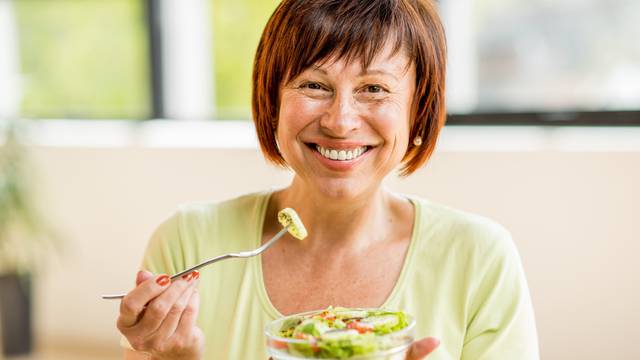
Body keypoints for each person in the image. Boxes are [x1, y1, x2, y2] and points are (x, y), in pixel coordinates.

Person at [116, 0, 540, 359]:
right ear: (272, 103)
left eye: (374, 89)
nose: (340, 121)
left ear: (418, 111)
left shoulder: (480, 258)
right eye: (314, 85)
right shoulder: (189, 243)